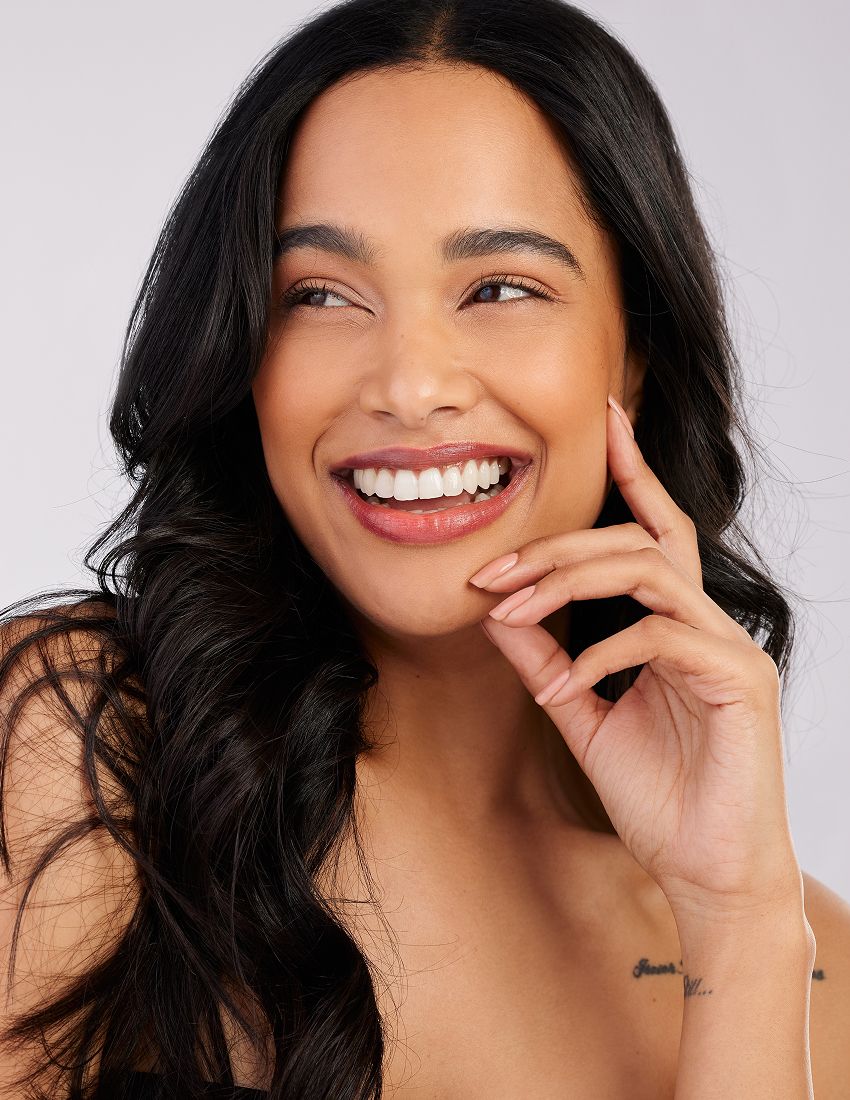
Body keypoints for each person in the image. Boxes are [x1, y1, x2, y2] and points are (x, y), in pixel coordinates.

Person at [1, 0, 847, 1096]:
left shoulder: (805, 960)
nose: (408, 385)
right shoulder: (90, 754)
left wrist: (737, 919)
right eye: (319, 294)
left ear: (636, 352)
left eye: (499, 288)